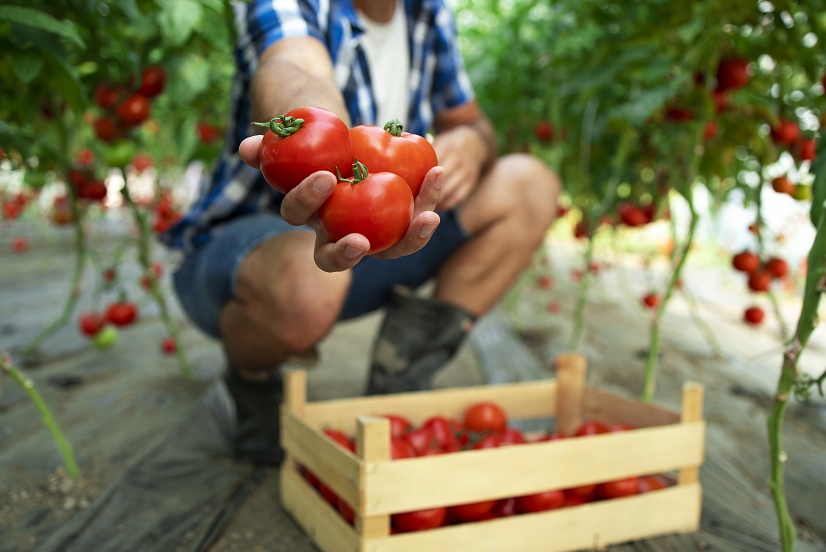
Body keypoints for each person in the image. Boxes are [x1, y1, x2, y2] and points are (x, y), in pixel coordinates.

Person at [161, 0, 560, 465]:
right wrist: (318, 144)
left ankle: (402, 372)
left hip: (379, 230)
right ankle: (251, 382)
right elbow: (292, 64)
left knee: (530, 184)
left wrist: (472, 140)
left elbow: (469, 120)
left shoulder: (428, 12)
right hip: (251, 251)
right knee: (306, 285)